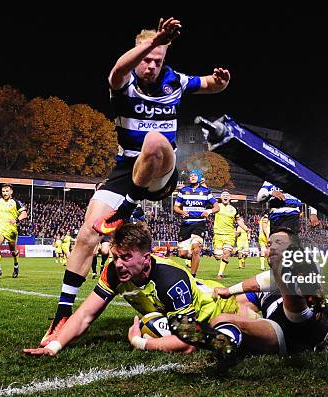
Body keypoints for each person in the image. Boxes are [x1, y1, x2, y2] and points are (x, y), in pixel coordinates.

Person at [41, 16, 231, 347]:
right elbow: (115, 71)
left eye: (158, 60)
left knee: (155, 141)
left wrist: (221, 81)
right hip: (125, 170)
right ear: (138, 54)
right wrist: (155, 41)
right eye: (146, 58)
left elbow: (210, 85)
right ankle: (61, 315)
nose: (151, 66)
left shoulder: (176, 81)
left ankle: (126, 207)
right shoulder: (124, 84)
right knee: (87, 234)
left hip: (162, 170)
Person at [22, 222, 243, 356]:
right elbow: (84, 316)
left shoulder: (170, 281)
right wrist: (54, 346)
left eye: (126, 257)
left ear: (146, 259)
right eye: (116, 256)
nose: (118, 264)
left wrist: (141, 342)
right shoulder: (113, 272)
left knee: (235, 344)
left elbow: (189, 342)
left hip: (220, 310)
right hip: (180, 316)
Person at [169, 228, 328, 356]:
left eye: (279, 243)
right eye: (270, 244)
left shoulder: (306, 263)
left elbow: (259, 282)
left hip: (306, 320)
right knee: (223, 318)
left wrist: (228, 290)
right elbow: (252, 289)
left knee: (295, 297)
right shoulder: (264, 288)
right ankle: (223, 340)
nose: (271, 248)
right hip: (279, 330)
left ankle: (316, 299)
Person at [174, 170, 219, 277]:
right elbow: (175, 207)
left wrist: (208, 211)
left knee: (196, 248)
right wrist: (181, 212)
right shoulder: (183, 191)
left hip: (199, 224)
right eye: (191, 176)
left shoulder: (206, 191)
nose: (192, 177)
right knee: (182, 254)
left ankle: (193, 276)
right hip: (186, 225)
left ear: (199, 178)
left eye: (195, 175)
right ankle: (195, 257)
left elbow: (217, 207)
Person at [212, 191, 247, 279]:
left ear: (230, 198)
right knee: (218, 256)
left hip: (229, 234)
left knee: (226, 253)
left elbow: (238, 220)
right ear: (220, 197)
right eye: (223, 195)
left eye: (227, 195)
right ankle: (217, 254)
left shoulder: (234, 209)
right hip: (218, 234)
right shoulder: (217, 207)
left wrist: (245, 228)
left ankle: (220, 274)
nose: (225, 196)